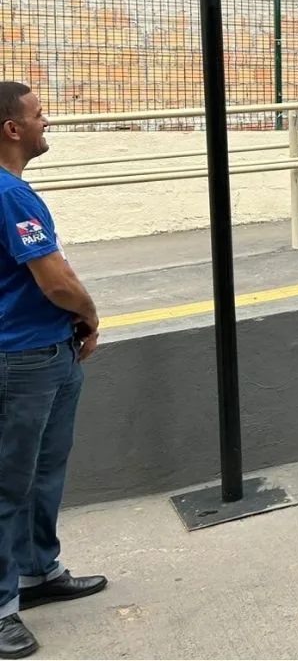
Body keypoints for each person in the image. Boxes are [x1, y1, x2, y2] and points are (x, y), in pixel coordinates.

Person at [0, 82, 106, 660]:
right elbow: (54, 279)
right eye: (39, 116)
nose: (48, 122)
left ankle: (40, 572)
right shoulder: (10, 195)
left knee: (44, 472)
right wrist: (88, 313)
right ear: (12, 129)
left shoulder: (16, 190)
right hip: (22, 359)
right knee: (8, 483)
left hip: (49, 350)